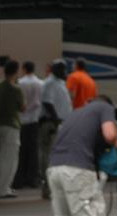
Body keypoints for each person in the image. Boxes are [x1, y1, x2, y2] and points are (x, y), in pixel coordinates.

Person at [46, 95, 117, 216]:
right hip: (77, 170)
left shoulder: (74, 113)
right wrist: (116, 142)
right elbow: (110, 135)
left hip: (54, 169)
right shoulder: (105, 107)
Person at [39, 59, 72, 200]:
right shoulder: (50, 83)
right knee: (50, 156)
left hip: (60, 123)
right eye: (62, 69)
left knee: (58, 156)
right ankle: (47, 186)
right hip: (52, 124)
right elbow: (47, 102)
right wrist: (55, 120)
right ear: (55, 70)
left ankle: (54, 186)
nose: (65, 72)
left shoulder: (59, 82)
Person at [0, 59, 25, 199]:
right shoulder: (16, 88)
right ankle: (2, 189)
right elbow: (23, 107)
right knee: (9, 159)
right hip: (11, 126)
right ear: (16, 71)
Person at [14, 60, 43, 189]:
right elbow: (38, 102)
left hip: (21, 120)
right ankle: (32, 178)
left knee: (21, 150)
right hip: (34, 120)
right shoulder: (40, 83)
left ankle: (19, 178)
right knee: (33, 150)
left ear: (24, 69)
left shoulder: (20, 83)